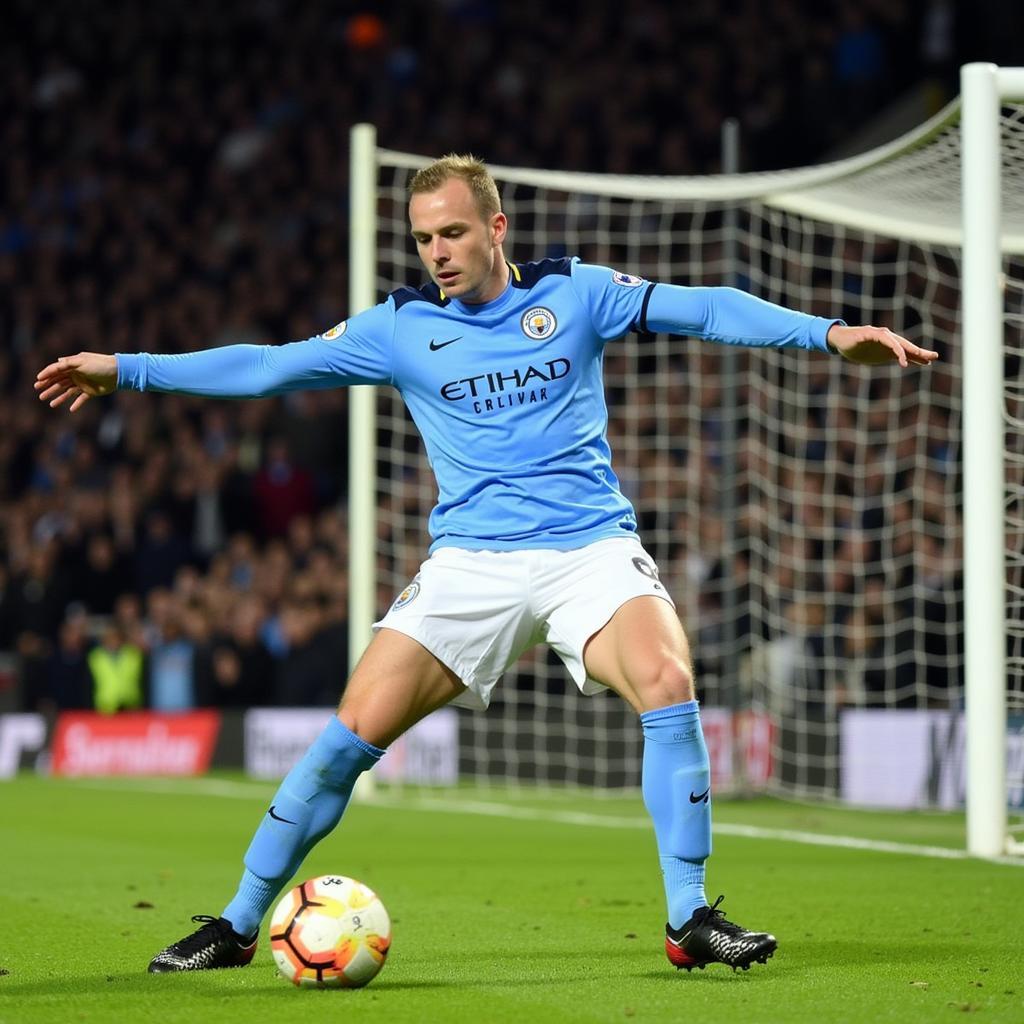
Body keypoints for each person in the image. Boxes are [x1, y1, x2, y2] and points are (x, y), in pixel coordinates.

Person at [36, 154, 937, 975]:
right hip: (470, 563)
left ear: (496, 228)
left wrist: (827, 333)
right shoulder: (400, 328)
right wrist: (131, 369)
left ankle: (689, 916)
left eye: (454, 232)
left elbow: (705, 306)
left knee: (667, 679)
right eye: (424, 237)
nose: (438, 252)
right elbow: (271, 367)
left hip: (590, 549)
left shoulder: (576, 293)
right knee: (349, 734)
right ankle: (236, 925)